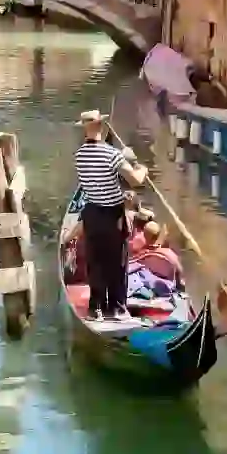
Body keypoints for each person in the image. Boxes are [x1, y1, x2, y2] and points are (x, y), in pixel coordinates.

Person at [73, 109, 149, 319]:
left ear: (85, 130)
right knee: (116, 261)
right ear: (101, 126)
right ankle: (116, 308)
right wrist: (142, 169)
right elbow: (135, 179)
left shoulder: (79, 155)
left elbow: (98, 182)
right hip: (112, 216)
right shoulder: (111, 154)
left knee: (95, 261)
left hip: (91, 214)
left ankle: (96, 308)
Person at [126, 221, 183, 298]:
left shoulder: (141, 255)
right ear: (158, 235)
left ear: (144, 235)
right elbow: (180, 278)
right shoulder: (170, 255)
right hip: (167, 294)